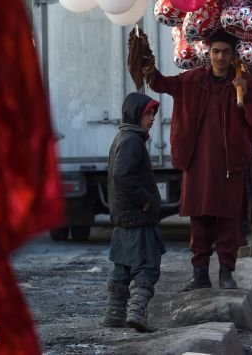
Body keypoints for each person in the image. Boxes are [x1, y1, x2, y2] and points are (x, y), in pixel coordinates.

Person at [136, 29, 252, 292]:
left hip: (232, 165)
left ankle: (227, 274)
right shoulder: (192, 80)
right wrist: (147, 64)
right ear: (209, 53)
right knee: (200, 220)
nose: (220, 57)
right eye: (216, 51)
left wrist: (246, 96)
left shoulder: (247, 83)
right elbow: (161, 83)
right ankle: (200, 275)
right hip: (197, 164)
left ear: (233, 56)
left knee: (230, 222)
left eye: (226, 53)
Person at [102, 92, 165, 332]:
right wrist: (145, 201)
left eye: (153, 114)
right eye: (148, 113)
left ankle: (114, 315)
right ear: (136, 114)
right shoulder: (131, 141)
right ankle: (137, 313)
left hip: (124, 218)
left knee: (123, 268)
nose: (152, 119)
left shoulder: (123, 136)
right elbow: (122, 175)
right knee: (146, 266)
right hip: (137, 217)